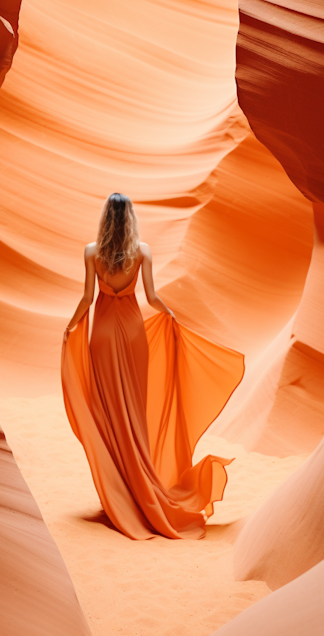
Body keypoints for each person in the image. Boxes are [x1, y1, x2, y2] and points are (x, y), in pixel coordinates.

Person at [61, 193, 245, 540]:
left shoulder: (91, 252)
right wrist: (170, 315)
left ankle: (121, 491)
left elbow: (87, 299)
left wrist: (71, 327)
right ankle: (137, 486)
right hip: (132, 334)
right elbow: (151, 297)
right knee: (134, 410)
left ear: (105, 220)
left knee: (109, 411)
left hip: (101, 334)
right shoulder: (142, 252)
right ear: (130, 219)